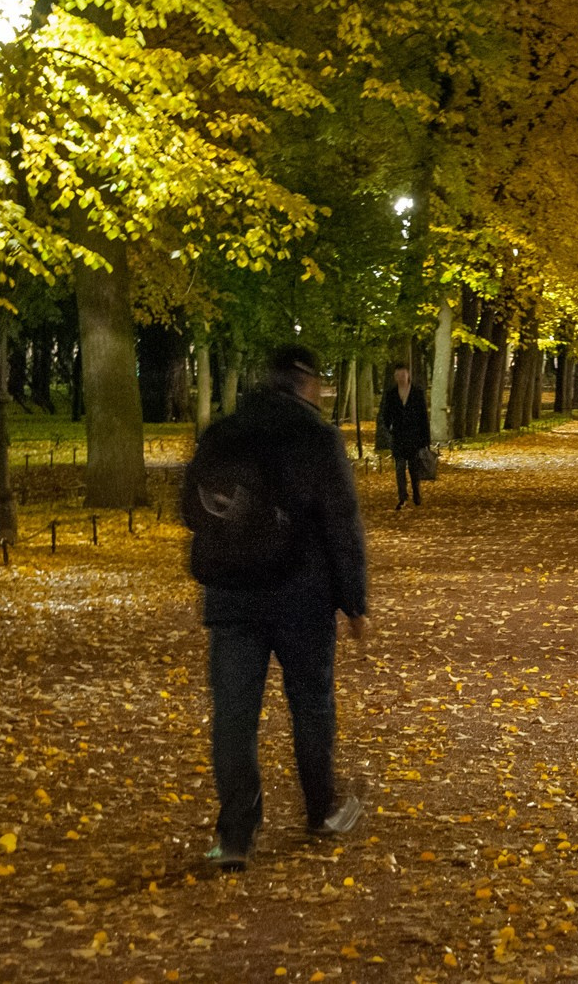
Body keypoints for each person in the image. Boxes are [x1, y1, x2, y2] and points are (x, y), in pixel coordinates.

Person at [180, 345, 369, 872]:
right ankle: (321, 809)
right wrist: (354, 602)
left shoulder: (225, 432)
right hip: (301, 596)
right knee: (310, 704)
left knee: (233, 717)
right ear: (306, 383)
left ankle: (237, 834)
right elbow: (341, 521)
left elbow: (190, 507)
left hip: (232, 596)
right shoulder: (316, 437)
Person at [378, 362, 431, 510]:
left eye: (403, 374)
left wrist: (425, 439)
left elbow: (423, 417)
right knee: (400, 468)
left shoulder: (417, 393)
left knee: (414, 468)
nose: (401, 377)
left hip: (413, 437)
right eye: (398, 375)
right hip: (399, 437)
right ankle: (402, 496)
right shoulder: (391, 394)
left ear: (408, 375)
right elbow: (386, 414)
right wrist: (390, 427)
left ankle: (416, 493)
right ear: (395, 377)